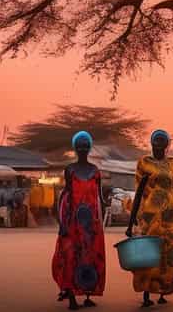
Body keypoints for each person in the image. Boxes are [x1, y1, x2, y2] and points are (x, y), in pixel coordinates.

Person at [126, 129, 173, 307]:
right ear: (152, 143)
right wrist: (131, 223)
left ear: (167, 144)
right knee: (149, 253)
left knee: (168, 253)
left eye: (163, 140)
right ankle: (146, 292)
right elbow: (138, 194)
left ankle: (163, 289)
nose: (159, 143)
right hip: (150, 216)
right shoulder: (144, 163)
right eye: (156, 140)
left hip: (170, 218)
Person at [52, 131, 107, 310]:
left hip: (91, 224)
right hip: (73, 223)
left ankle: (88, 294)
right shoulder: (70, 170)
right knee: (71, 257)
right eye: (79, 145)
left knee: (91, 257)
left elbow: (99, 198)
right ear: (75, 148)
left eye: (85, 145)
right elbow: (65, 196)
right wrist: (62, 223)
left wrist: (100, 222)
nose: (82, 148)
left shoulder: (95, 171)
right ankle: (72, 298)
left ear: (89, 148)